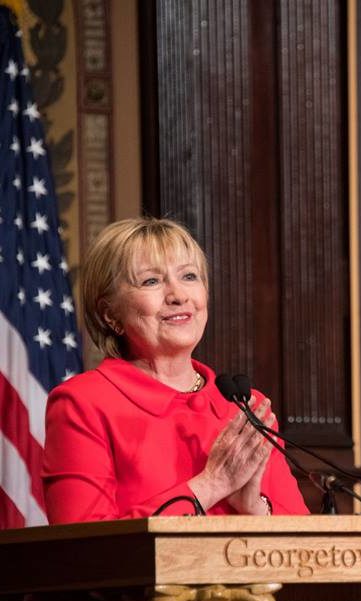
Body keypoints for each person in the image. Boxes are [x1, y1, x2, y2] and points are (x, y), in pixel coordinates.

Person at [42, 217, 309, 522]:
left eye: (190, 276)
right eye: (151, 281)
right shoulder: (82, 404)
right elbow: (83, 549)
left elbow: (301, 547)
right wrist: (210, 486)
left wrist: (255, 508)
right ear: (109, 313)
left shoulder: (247, 407)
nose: (178, 295)